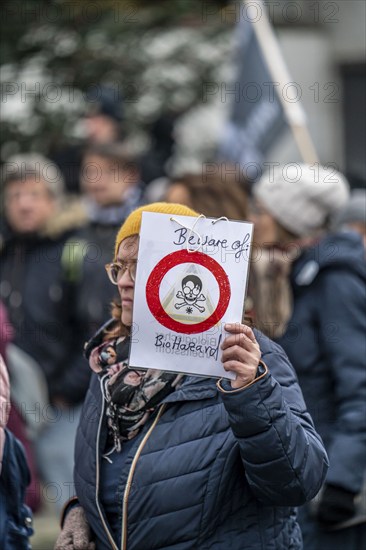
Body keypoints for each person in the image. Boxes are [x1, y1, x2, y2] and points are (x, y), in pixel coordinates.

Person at [55, 202, 328, 550]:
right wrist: (82, 510)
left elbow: (297, 483)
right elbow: (109, 467)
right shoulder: (109, 362)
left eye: (139, 268)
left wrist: (251, 393)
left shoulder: (245, 357)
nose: (123, 281)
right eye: (119, 267)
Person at [250, 164, 366, 549]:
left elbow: (359, 386)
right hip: (302, 473)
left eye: (261, 211)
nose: (253, 220)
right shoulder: (288, 274)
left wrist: (342, 481)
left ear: (287, 220)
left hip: (328, 487)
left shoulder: (334, 279)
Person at [0, 153, 92, 510]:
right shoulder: (5, 256)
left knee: (69, 511)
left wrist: (64, 393)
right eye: (15, 196)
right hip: (11, 415)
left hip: (63, 411)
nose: (24, 204)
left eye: (34, 194)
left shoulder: (75, 251)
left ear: (53, 201)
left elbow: (100, 330)